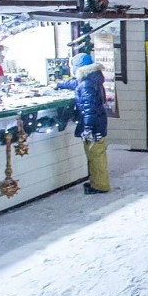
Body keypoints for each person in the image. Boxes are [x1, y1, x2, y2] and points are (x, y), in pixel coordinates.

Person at [58, 52, 109, 194]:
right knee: (97, 153)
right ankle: (98, 181)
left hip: (94, 126)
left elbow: (89, 108)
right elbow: (75, 83)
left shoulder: (86, 84)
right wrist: (59, 84)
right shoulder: (92, 78)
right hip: (99, 123)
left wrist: (88, 127)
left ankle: (100, 185)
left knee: (95, 155)